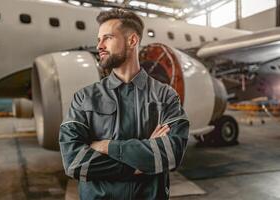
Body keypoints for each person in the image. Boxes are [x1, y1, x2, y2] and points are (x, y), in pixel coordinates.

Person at [59, 8, 189, 200]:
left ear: (132, 41)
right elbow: (74, 161)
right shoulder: (84, 98)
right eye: (98, 40)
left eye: (108, 38)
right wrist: (140, 164)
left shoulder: (166, 96)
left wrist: (107, 146)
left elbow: (170, 154)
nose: (100, 46)